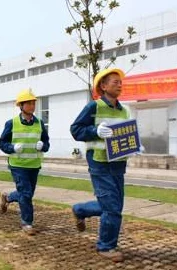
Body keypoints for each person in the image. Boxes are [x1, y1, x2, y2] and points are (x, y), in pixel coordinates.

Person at [70, 68, 129, 263]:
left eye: (120, 82)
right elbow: (76, 129)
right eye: (115, 82)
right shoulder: (93, 107)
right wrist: (95, 131)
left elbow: (125, 134)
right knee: (112, 207)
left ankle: (80, 210)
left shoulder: (124, 109)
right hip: (99, 162)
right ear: (103, 86)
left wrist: (134, 145)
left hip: (118, 164)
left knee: (114, 205)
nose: (119, 85)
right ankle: (106, 246)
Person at [0, 88, 50, 235]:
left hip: (34, 165)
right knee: (26, 193)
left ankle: (7, 197)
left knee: (26, 193)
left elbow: (46, 142)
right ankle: (27, 223)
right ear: (21, 106)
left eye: (33, 103)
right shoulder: (11, 123)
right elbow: (2, 143)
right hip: (18, 165)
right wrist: (12, 147)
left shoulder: (40, 123)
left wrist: (43, 146)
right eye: (28, 103)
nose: (32, 106)